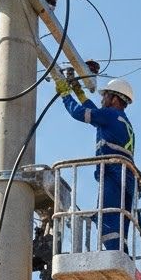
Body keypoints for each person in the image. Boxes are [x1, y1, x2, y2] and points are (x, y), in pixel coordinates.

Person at [55, 75, 136, 251]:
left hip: (113, 173)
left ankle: (115, 254)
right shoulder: (121, 120)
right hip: (126, 178)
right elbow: (97, 114)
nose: (102, 99)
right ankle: (122, 254)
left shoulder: (109, 115)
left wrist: (65, 94)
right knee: (119, 222)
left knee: (107, 221)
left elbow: (80, 114)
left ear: (114, 98)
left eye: (105, 95)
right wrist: (79, 93)